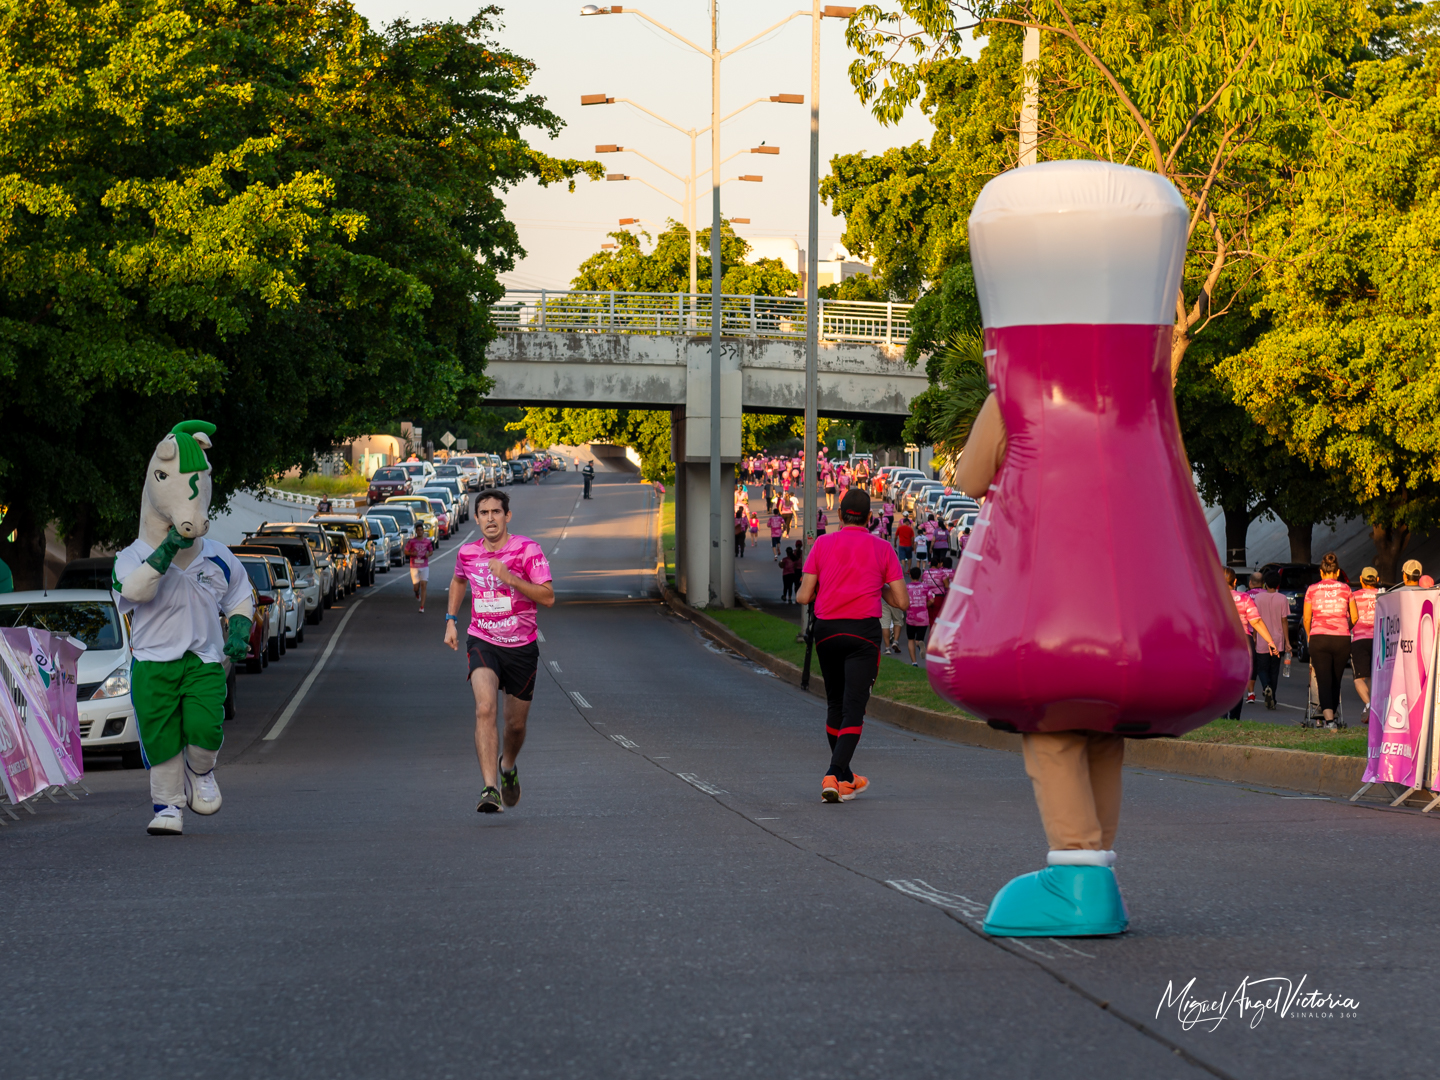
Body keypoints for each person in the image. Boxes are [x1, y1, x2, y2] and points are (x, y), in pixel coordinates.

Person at [445, 489, 554, 813]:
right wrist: (451, 620)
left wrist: (511, 579)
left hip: (521, 647)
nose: (490, 518)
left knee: (515, 725)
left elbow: (548, 597)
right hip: (483, 640)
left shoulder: (527, 550)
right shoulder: (467, 553)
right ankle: (489, 788)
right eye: (484, 513)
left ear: (507, 516)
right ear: (476, 519)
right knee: (484, 708)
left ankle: (507, 766)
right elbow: (459, 581)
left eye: (496, 512)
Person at [795, 489, 907, 803]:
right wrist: (878, 587)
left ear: (840, 515)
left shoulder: (822, 544)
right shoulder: (883, 548)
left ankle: (845, 778)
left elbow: (803, 596)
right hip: (862, 635)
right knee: (854, 707)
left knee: (835, 704)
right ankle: (833, 774)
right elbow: (902, 601)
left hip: (827, 632)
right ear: (870, 518)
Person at [1303, 552, 1352, 729]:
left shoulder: (1312, 589)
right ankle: (1333, 716)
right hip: (1341, 639)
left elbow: (1306, 618)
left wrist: (1310, 635)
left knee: (1323, 680)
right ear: (1337, 572)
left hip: (1319, 638)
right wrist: (1346, 628)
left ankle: (1329, 721)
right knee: (1336, 679)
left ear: (1321, 572)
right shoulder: (1346, 589)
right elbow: (1355, 616)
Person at [1224, 566, 1279, 718]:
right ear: (1235, 581)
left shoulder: (1211, 599)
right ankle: (1234, 718)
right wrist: (1270, 641)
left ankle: (1221, 716)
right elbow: (1256, 622)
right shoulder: (1244, 598)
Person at [1251, 570, 1291, 710]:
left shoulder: (1258, 598)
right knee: (1274, 670)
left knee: (1262, 668)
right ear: (1278, 584)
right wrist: (1287, 641)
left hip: (1263, 638)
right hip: (1278, 640)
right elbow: (1284, 620)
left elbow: (1255, 619)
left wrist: (1254, 636)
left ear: (1265, 584)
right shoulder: (1282, 598)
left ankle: (1266, 686)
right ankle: (1272, 697)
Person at [1350, 566, 1380, 711]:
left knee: (1359, 678)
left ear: (1361, 579)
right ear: (1377, 580)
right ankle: (1373, 706)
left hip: (1359, 640)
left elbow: (1349, 617)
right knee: (1373, 676)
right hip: (1380, 640)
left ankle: (1369, 705)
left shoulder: (1353, 596)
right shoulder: (1383, 595)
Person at [903, 565, 934, 667]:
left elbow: (903, 601)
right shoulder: (926, 587)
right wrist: (925, 605)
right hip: (923, 617)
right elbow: (932, 600)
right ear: (920, 576)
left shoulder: (906, 588)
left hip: (911, 618)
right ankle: (920, 645)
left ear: (910, 576)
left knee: (910, 639)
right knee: (919, 639)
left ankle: (914, 662)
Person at [404, 524, 435, 613]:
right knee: (416, 587)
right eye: (418, 530)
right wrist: (411, 554)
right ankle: (417, 593)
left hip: (424, 566)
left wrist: (428, 554)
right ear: (416, 531)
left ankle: (422, 607)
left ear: (423, 531)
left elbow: (431, 551)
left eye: (421, 530)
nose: (420, 531)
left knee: (423, 585)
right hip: (414, 566)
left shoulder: (427, 541)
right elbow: (406, 551)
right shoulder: (412, 541)